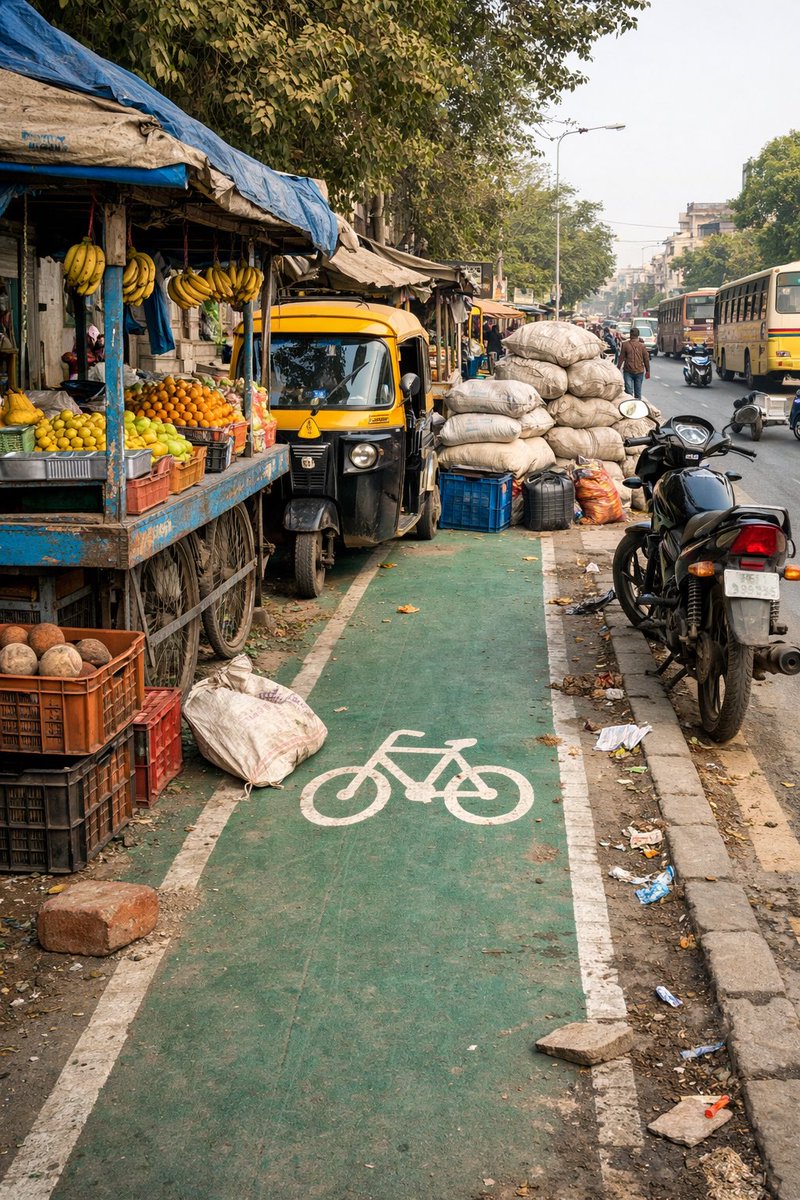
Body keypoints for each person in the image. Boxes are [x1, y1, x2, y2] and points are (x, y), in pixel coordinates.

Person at [617, 327, 650, 399]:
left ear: (630, 335)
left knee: (628, 393)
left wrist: (617, 369)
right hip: (639, 372)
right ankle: (637, 407)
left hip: (628, 371)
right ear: (638, 335)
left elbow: (621, 358)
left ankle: (630, 407)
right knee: (638, 393)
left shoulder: (625, 344)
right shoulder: (642, 346)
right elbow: (646, 359)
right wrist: (648, 371)